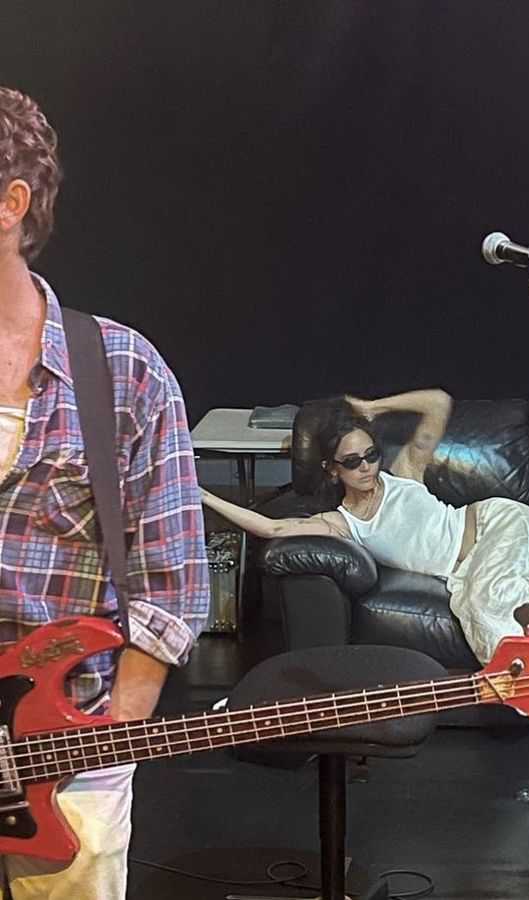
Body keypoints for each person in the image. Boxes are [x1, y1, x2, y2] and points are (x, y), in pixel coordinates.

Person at [0, 86, 209, 897]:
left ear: (11, 203)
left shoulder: (122, 371)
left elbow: (175, 585)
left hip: (65, 762)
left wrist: (102, 744)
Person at [200, 388, 529, 665]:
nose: (365, 466)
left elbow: (439, 402)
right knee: (484, 601)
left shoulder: (405, 472)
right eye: (352, 461)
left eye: (371, 455)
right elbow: (271, 530)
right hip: (471, 567)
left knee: (485, 599)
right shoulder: (342, 523)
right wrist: (202, 495)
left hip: (497, 524)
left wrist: (371, 408)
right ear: (332, 469)